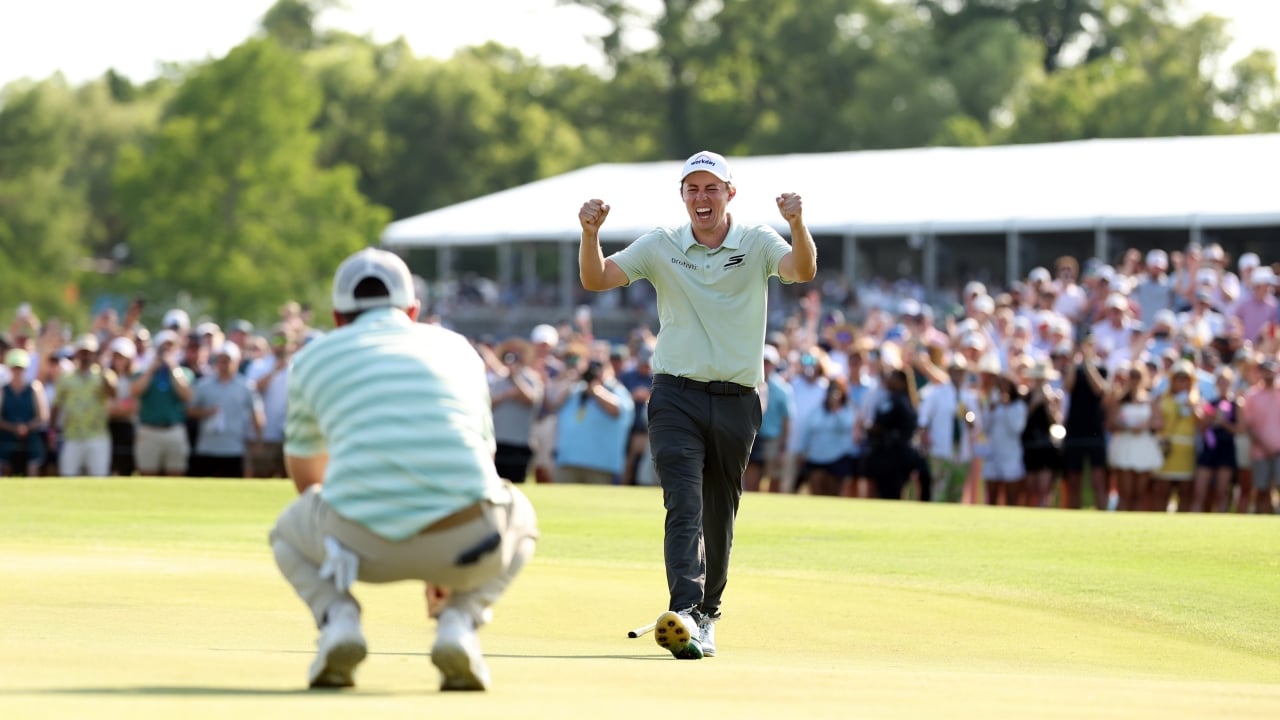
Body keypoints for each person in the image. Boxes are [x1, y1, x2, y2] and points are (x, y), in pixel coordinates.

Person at [577, 150, 816, 660]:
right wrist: (590, 234)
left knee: (718, 511)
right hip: (675, 396)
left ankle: (707, 616)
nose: (702, 198)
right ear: (683, 196)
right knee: (682, 500)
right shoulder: (663, 244)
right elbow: (597, 279)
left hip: (737, 399)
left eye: (712, 188)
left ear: (730, 193)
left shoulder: (755, 242)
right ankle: (685, 610)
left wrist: (796, 223)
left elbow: (801, 269)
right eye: (693, 189)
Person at [269, 247, 538, 691]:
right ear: (412, 310)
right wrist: (440, 567)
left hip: (357, 544)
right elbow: (481, 465)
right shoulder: (458, 349)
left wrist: (337, 543)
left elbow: (306, 477)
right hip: (467, 541)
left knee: (285, 534)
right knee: (522, 518)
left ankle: (339, 620)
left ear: (338, 317)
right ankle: (459, 622)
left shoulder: (314, 358)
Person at [189, 343, 264, 478]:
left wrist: (258, 440)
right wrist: (207, 412)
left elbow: (256, 414)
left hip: (234, 449)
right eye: (221, 359)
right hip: (207, 448)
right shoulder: (203, 385)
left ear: (236, 362)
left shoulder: (246, 386)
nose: (224, 363)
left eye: (227, 360)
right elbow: (190, 410)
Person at [131, 330, 195, 477]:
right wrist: (152, 369)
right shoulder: (143, 372)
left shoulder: (183, 372)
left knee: (175, 475)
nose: (166, 352)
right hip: (149, 429)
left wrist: (172, 367)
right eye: (163, 348)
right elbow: (135, 391)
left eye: (170, 347)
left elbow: (186, 395)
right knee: (147, 475)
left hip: (174, 429)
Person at [52, 334, 117, 477]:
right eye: (83, 352)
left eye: (89, 353)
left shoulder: (104, 375)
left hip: (97, 435)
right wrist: (52, 431)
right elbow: (56, 405)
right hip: (72, 435)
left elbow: (113, 393)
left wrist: (102, 368)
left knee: (98, 478)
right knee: (68, 477)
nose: (86, 356)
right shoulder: (66, 377)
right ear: (77, 354)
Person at [0, 348, 49, 476]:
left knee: (33, 463)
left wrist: (26, 428)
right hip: (7, 435)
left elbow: (42, 417)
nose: (17, 371)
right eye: (14, 368)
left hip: (31, 435)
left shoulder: (34, 389)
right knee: (4, 464)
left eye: (20, 368)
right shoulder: (3, 390)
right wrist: (13, 428)